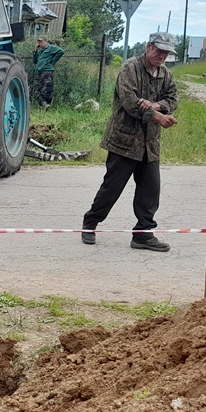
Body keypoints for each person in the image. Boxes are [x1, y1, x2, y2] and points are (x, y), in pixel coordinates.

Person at [81, 31, 179, 252]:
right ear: (148, 47)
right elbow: (130, 102)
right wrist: (157, 116)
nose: (162, 56)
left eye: (166, 53)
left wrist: (155, 106)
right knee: (111, 188)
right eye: (159, 51)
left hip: (150, 144)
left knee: (150, 191)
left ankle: (143, 234)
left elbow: (173, 99)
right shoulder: (130, 68)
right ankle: (90, 223)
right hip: (123, 141)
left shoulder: (165, 75)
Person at [32, 37, 64, 110]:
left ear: (46, 41)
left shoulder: (51, 48)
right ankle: (44, 104)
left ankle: (47, 104)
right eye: (39, 42)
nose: (40, 43)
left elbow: (61, 51)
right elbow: (35, 61)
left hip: (47, 70)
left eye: (41, 42)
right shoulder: (40, 51)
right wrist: (35, 50)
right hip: (40, 71)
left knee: (46, 89)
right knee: (36, 89)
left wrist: (53, 61)